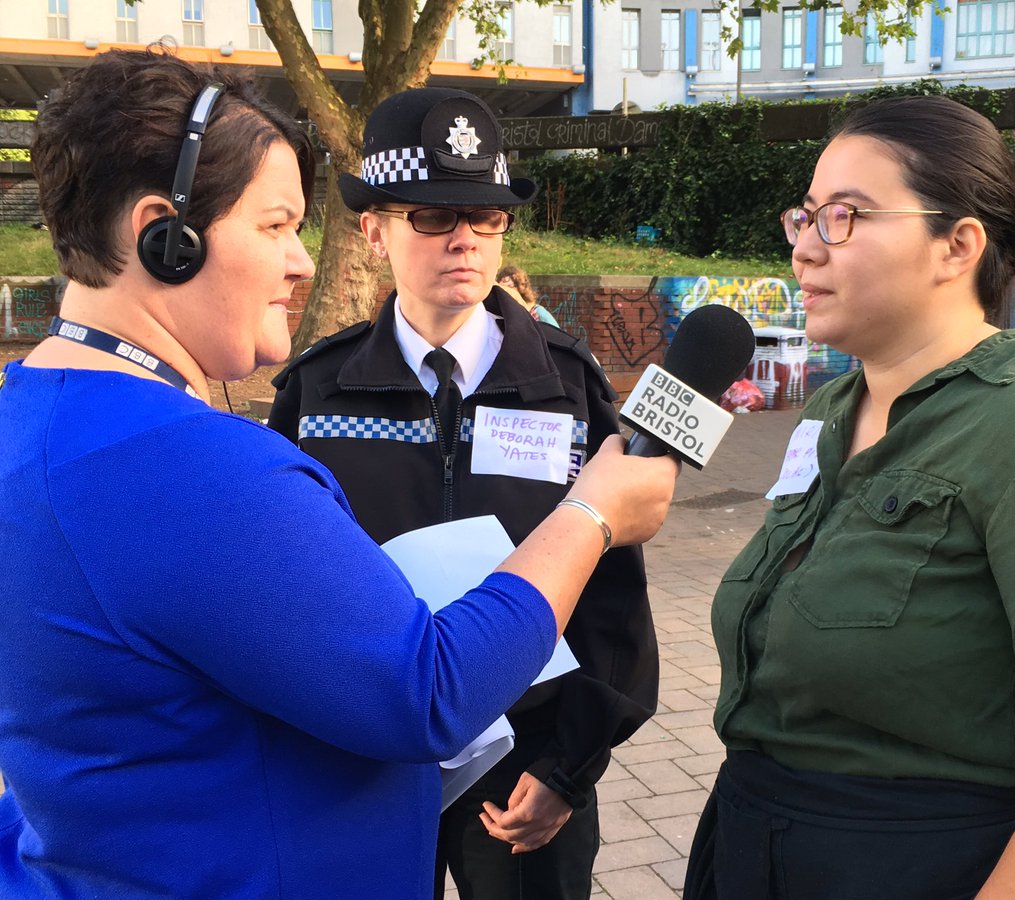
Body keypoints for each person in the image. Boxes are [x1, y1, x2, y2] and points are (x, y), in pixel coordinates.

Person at [0, 48, 677, 899]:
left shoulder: (29, 416)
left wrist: (569, 761)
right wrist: (594, 513)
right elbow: (425, 691)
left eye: (486, 218)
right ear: (163, 238)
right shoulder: (205, 462)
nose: (302, 262)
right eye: (277, 225)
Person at [685, 95, 1015, 900]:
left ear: (957, 244)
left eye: (846, 217)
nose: (805, 251)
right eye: (805, 216)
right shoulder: (828, 415)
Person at [267, 89, 655, 900]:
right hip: (365, 764)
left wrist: (569, 768)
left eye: (487, 220)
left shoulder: (566, 386)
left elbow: (612, 593)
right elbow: (282, 585)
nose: (466, 242)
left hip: (524, 775)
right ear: (373, 231)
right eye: (435, 218)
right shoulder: (317, 393)